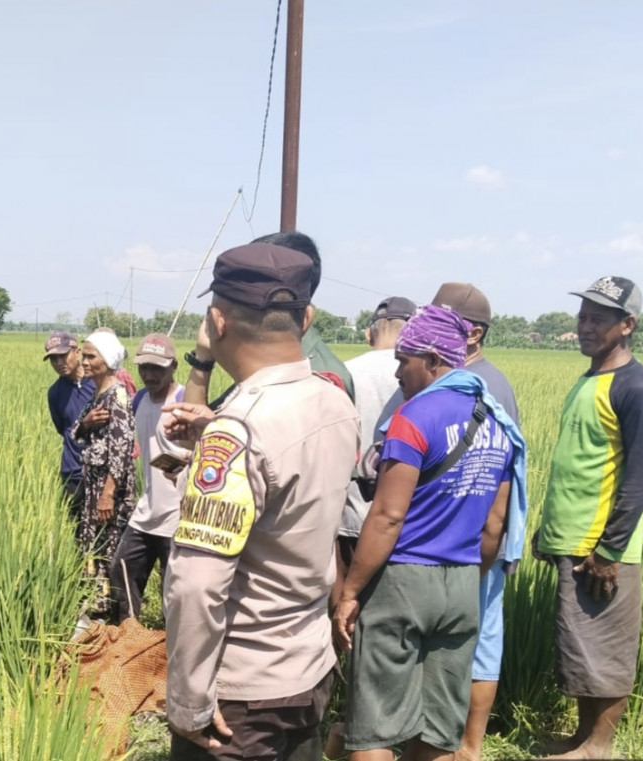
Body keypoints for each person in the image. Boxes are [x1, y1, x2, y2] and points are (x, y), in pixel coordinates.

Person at [162, 242, 359, 760]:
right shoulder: (334, 402)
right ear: (307, 316)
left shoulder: (238, 432)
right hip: (307, 667)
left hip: (242, 692)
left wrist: (187, 702)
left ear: (218, 321)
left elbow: (197, 585)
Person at [333, 305, 525, 761]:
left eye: (405, 359)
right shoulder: (498, 422)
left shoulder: (414, 417)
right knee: (438, 732)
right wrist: (463, 580)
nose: (398, 371)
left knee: (374, 727)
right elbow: (495, 525)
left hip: (402, 580)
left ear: (434, 360)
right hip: (462, 584)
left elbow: (387, 518)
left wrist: (351, 592)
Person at [532, 276, 643, 759]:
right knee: (582, 645)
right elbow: (577, 463)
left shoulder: (637, 388)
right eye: (583, 317)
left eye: (598, 319)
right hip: (574, 538)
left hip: (602, 546)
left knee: (606, 645)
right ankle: (582, 738)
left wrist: (610, 550)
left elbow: (640, 478)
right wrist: (549, 527)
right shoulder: (591, 379)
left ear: (626, 325)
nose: (586, 326)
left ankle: (599, 746)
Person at [430, 283, 523, 761]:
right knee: (474, 635)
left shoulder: (484, 383)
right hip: (472, 537)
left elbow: (498, 480)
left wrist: (488, 542)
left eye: (444, 323)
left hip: (476, 540)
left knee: (476, 637)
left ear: (473, 334)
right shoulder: (470, 378)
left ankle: (465, 745)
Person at [183, 230, 355, 412]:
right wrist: (203, 358)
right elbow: (193, 432)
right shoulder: (266, 365)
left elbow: (200, 438)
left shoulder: (321, 376)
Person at [108, 332, 190, 621]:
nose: (149, 375)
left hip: (178, 516)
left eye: (157, 368)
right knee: (122, 570)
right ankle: (127, 638)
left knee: (174, 592)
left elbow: (205, 454)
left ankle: (171, 652)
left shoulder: (185, 401)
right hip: (147, 510)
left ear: (174, 366)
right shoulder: (140, 398)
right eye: (144, 367)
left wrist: (177, 465)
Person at [336, 296, 415, 592]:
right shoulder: (425, 373)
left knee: (345, 609)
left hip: (350, 517)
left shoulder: (345, 372)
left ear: (369, 333)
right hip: (405, 525)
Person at [70, 330, 138, 621]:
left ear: (107, 360)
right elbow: (75, 433)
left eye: (90, 356)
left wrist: (108, 494)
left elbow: (122, 450)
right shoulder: (96, 395)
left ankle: (115, 617)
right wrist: (85, 423)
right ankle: (96, 607)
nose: (83, 362)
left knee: (109, 547)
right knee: (92, 544)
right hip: (93, 484)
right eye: (84, 355)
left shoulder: (117, 395)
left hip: (111, 489)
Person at [45, 331, 96, 522]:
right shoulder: (55, 393)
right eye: (53, 359)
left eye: (62, 356)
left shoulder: (99, 383)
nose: (58, 363)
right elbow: (62, 429)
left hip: (101, 469)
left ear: (77, 352)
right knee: (76, 529)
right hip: (72, 471)